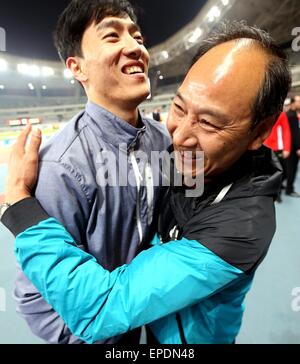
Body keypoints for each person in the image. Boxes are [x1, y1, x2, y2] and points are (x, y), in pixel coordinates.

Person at [1, 21, 290, 344]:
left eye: (208, 123)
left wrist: (21, 208)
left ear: (261, 132)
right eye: (178, 107)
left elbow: (101, 309)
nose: (178, 137)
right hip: (149, 327)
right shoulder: (169, 152)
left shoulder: (242, 225)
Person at [8, 0, 171, 344]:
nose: (135, 47)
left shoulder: (164, 141)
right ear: (77, 67)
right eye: (112, 37)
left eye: (138, 37)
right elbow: (36, 298)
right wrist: (103, 338)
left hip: (153, 319)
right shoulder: (61, 167)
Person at [264, 112, 291, 202]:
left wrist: (286, 148)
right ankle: (273, 191)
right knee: (268, 172)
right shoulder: (264, 112)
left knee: (280, 172)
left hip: (277, 148)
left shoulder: (281, 114)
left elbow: (286, 130)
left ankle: (277, 191)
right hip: (265, 146)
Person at [285, 96, 300, 196]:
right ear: (293, 103)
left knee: (288, 169)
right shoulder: (292, 116)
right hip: (292, 148)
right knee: (291, 169)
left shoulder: (291, 114)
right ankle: (289, 190)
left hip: (291, 147)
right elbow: (294, 133)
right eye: (299, 101)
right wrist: (298, 147)